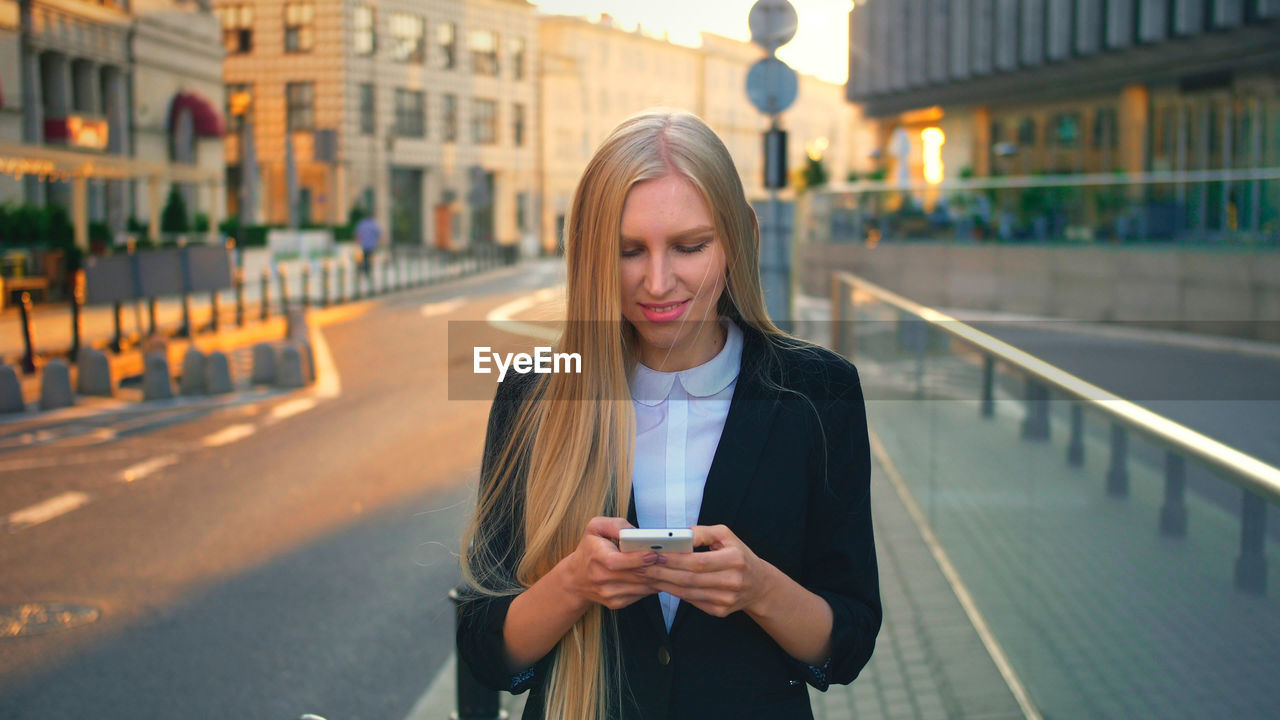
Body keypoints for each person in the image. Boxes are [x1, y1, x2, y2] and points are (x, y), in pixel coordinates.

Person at [457, 110, 880, 720]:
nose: (658, 283)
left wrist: (759, 589)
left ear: (741, 239)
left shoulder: (820, 391)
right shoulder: (536, 393)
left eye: (690, 246)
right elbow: (484, 650)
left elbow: (848, 643)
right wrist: (575, 583)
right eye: (629, 251)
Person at [354, 212, 382, 283]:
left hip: (363, 245)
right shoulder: (374, 224)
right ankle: (367, 273)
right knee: (368, 260)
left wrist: (357, 242)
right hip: (371, 245)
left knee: (362, 260)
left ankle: (361, 273)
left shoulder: (362, 223)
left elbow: (357, 234)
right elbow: (378, 234)